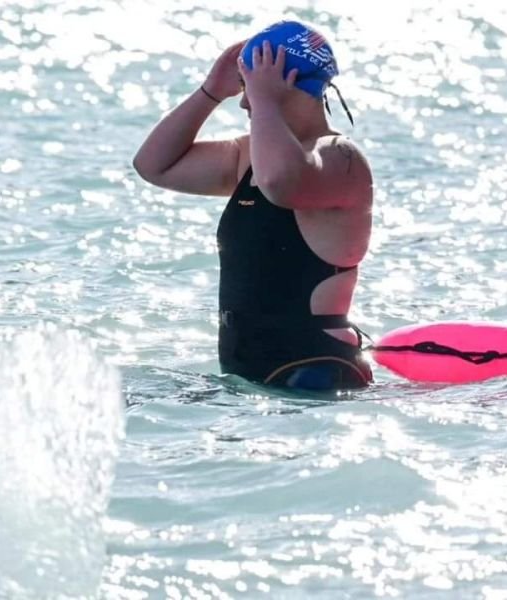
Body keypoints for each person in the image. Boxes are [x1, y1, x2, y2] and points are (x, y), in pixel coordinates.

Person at [133, 20, 373, 390]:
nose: (244, 101)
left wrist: (266, 101)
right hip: (249, 370)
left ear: (289, 82)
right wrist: (211, 92)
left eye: (249, 88)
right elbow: (154, 166)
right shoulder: (249, 156)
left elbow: (282, 184)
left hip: (313, 371)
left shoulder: (341, 158)